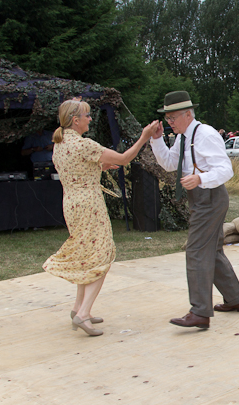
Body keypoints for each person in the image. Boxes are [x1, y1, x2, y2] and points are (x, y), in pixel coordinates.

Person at [43, 99, 156, 335]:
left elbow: (76, 169)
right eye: (87, 115)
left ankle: (79, 308)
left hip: (71, 203)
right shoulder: (84, 144)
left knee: (86, 255)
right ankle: (83, 313)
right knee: (101, 256)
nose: (90, 119)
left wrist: (100, 167)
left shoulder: (60, 144)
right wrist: (144, 137)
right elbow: (124, 158)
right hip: (89, 204)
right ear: (76, 120)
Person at [148, 91, 239, 329]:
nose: (169, 122)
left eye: (172, 118)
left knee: (195, 250)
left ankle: (200, 312)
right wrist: (157, 140)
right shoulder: (183, 137)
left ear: (187, 114)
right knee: (211, 251)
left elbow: (225, 169)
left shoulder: (205, 134)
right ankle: (236, 299)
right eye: (167, 118)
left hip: (210, 196)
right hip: (201, 197)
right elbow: (169, 164)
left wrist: (200, 179)